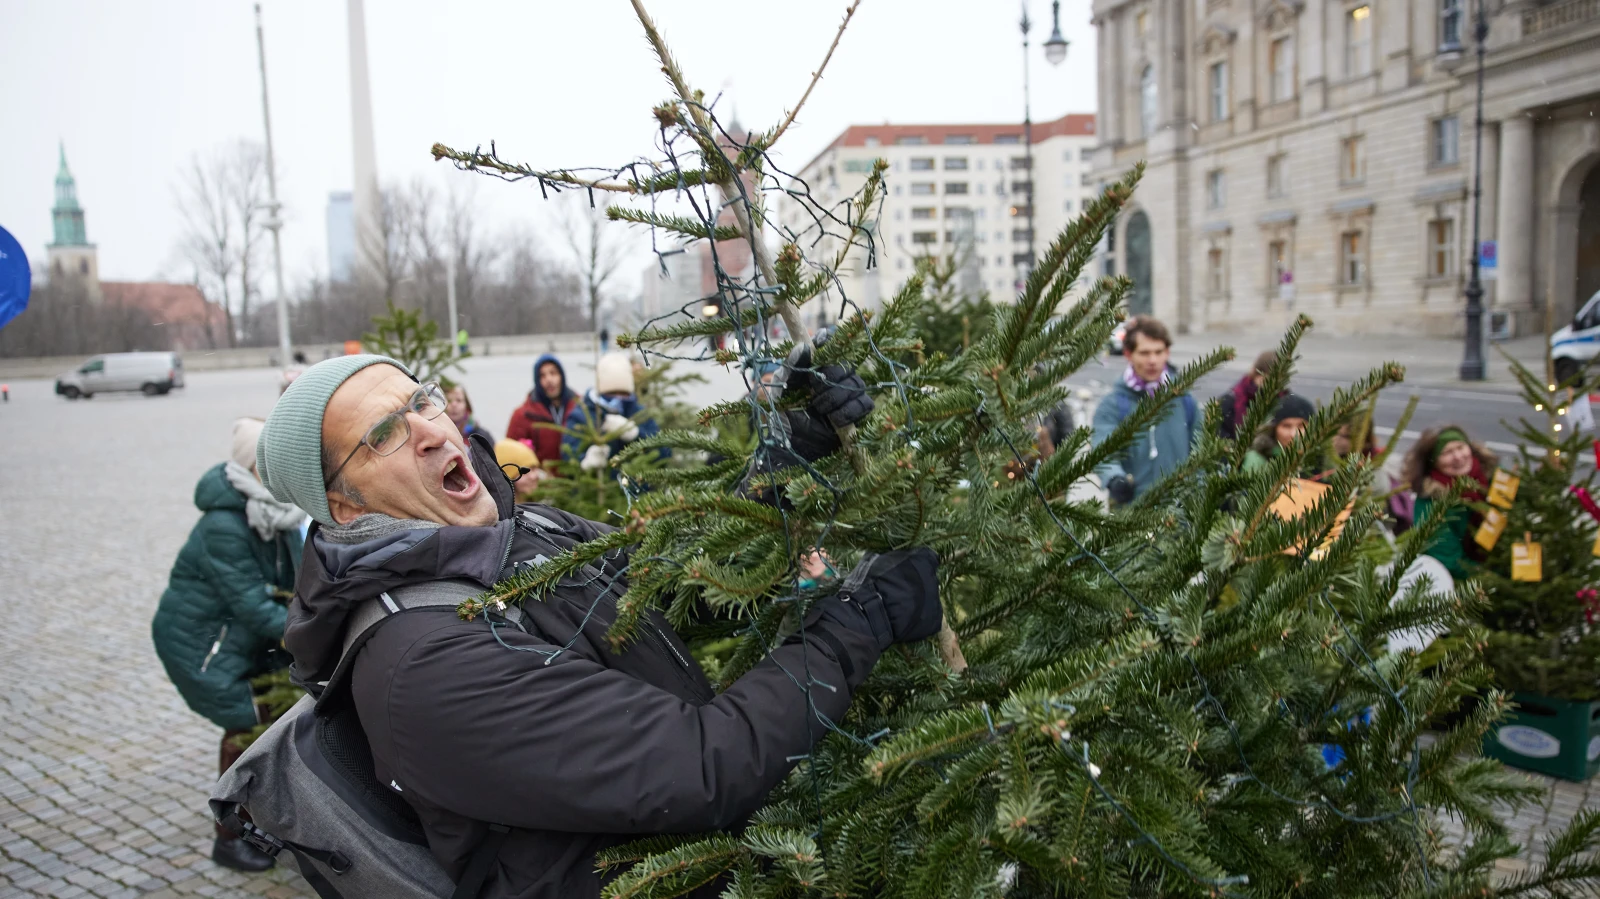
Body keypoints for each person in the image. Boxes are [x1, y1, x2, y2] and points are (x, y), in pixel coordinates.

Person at [254, 354, 938, 897]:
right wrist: (860, 619)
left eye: (421, 399)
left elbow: (667, 586)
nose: (431, 428)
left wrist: (785, 459)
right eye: (384, 434)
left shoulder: (518, 529)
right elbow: (702, 764)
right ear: (341, 504)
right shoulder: (420, 663)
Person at [151, 417, 306, 872]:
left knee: (275, 723)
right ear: (252, 467)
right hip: (206, 643)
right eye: (272, 461)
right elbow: (252, 606)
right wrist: (310, 635)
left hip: (249, 639)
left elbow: (294, 581)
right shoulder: (224, 525)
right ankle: (229, 836)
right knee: (244, 727)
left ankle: (268, 821)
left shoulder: (274, 508)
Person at [1091, 315, 1199, 505]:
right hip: (1133, 516)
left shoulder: (1185, 400)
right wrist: (1115, 478)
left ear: (1167, 352)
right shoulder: (1114, 404)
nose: (1153, 360)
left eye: (1158, 352)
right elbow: (1103, 450)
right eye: (1144, 353)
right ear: (1128, 354)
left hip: (1182, 518)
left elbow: (1202, 451)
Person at [1402, 424, 1498, 579]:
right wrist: (1496, 579)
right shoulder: (1432, 503)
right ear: (1432, 461)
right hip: (1468, 584)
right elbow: (1450, 561)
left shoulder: (1493, 478)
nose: (1458, 457)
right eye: (1447, 453)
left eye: (1460, 447)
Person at [563, 351, 664, 473]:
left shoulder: (639, 414)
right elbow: (567, 456)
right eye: (611, 394)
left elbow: (663, 453)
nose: (617, 399)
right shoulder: (581, 416)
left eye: (623, 394)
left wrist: (636, 434)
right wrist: (585, 462)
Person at [506, 353, 579, 467]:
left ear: (562, 376)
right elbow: (510, 456)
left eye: (553, 373)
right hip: (541, 482)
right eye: (542, 375)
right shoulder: (523, 415)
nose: (549, 379)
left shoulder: (580, 408)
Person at [1242, 393, 1318, 473]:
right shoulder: (1257, 460)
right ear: (1273, 428)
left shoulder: (1324, 461)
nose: (1293, 434)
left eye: (1301, 426)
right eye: (1286, 426)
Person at [1218, 350, 1281, 440]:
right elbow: (1221, 440)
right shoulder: (1229, 402)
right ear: (1258, 374)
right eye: (1270, 378)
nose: (1275, 385)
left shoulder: (1284, 400)